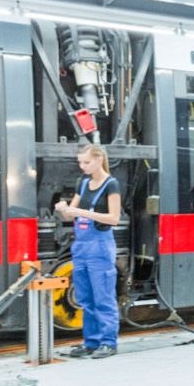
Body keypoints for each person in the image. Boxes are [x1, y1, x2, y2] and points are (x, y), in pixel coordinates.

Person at [55, 144, 123, 359]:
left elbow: (114, 218)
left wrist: (82, 212)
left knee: (103, 297)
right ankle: (91, 342)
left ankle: (108, 342)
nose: (82, 166)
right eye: (80, 162)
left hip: (100, 247)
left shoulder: (111, 184)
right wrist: (64, 209)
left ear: (99, 159)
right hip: (81, 247)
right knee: (85, 298)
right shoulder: (82, 183)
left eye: (86, 162)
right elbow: (70, 215)